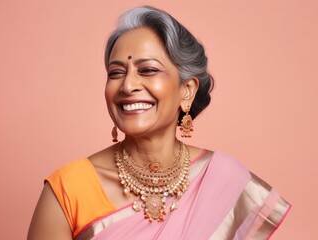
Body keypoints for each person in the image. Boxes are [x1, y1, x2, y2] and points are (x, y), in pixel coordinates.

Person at [27, 6, 291, 240]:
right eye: (116, 73)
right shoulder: (68, 189)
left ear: (187, 90)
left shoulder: (223, 178)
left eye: (148, 70)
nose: (128, 85)